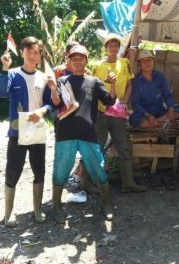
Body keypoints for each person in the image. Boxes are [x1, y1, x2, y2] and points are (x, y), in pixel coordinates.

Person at [51, 45, 117, 223]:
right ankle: (56, 207)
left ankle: (107, 203)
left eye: (81, 58)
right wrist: (52, 88)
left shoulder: (94, 81)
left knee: (98, 167)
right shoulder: (62, 80)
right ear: (69, 62)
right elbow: (57, 105)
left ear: (86, 60)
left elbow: (110, 101)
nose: (78, 61)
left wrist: (113, 84)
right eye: (74, 58)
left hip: (88, 133)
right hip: (65, 133)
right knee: (60, 169)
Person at [0, 36, 55, 227]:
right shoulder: (12, 74)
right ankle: (8, 212)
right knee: (14, 169)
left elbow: (50, 103)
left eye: (36, 52)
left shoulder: (44, 77)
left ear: (40, 55)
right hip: (18, 130)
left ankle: (37, 209)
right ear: (22, 53)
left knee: (39, 169)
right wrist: (5, 68)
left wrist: (43, 110)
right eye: (28, 51)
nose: (32, 55)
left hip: (37, 129)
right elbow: (1, 93)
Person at [92, 33, 146, 193]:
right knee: (98, 148)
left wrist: (125, 100)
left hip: (117, 112)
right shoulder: (97, 65)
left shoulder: (125, 62)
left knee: (123, 147)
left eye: (116, 45)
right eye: (110, 45)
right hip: (101, 112)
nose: (113, 47)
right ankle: (96, 183)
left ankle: (128, 183)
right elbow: (93, 88)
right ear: (105, 48)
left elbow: (130, 84)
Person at [129, 49, 179, 128]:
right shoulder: (136, 80)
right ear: (139, 64)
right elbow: (136, 104)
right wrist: (148, 115)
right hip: (145, 114)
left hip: (161, 112)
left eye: (149, 60)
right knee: (133, 119)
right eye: (143, 61)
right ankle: (162, 124)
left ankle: (156, 123)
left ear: (153, 61)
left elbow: (167, 95)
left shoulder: (160, 76)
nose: (147, 63)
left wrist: (171, 109)